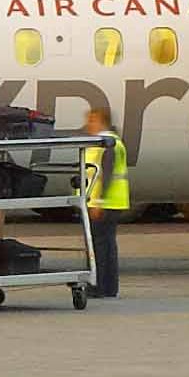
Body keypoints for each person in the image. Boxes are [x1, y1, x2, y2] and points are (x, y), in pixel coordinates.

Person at [78, 101, 130, 300]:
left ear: (102, 122)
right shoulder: (112, 142)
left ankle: (98, 286)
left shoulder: (106, 143)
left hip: (102, 203)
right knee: (107, 246)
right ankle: (109, 287)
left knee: (98, 246)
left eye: (92, 120)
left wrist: (98, 201)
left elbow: (105, 174)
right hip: (111, 202)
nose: (89, 124)